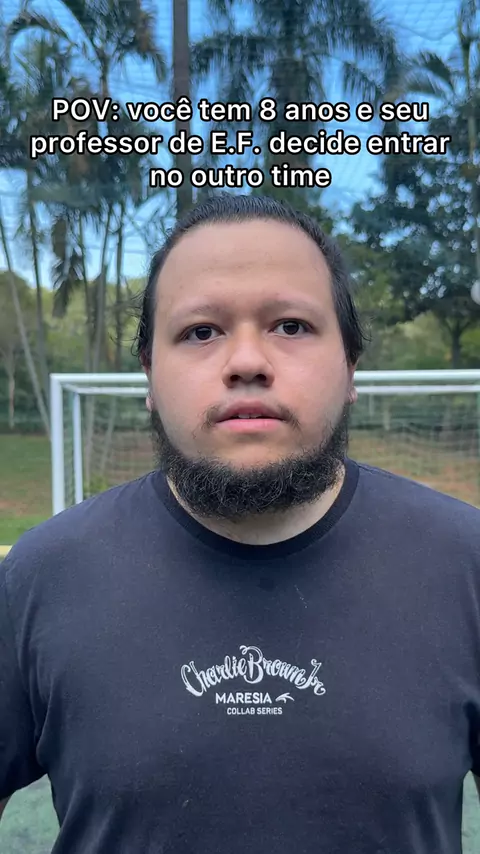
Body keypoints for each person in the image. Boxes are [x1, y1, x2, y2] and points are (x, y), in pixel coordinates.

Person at [1, 193, 479, 854]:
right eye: (201, 331)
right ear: (148, 374)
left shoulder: (465, 563)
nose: (247, 361)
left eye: (291, 325)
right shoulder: (38, 576)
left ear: (351, 367)